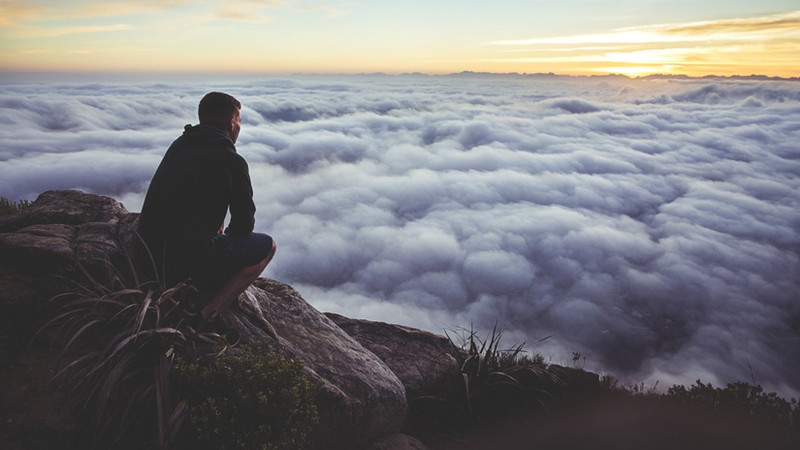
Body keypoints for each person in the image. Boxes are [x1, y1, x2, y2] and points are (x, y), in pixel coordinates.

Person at [137, 92, 276, 325]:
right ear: (232, 124)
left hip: (145, 256)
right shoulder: (231, 160)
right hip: (182, 265)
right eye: (239, 122)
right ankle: (205, 314)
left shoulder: (180, 144)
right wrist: (222, 239)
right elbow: (244, 225)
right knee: (266, 246)